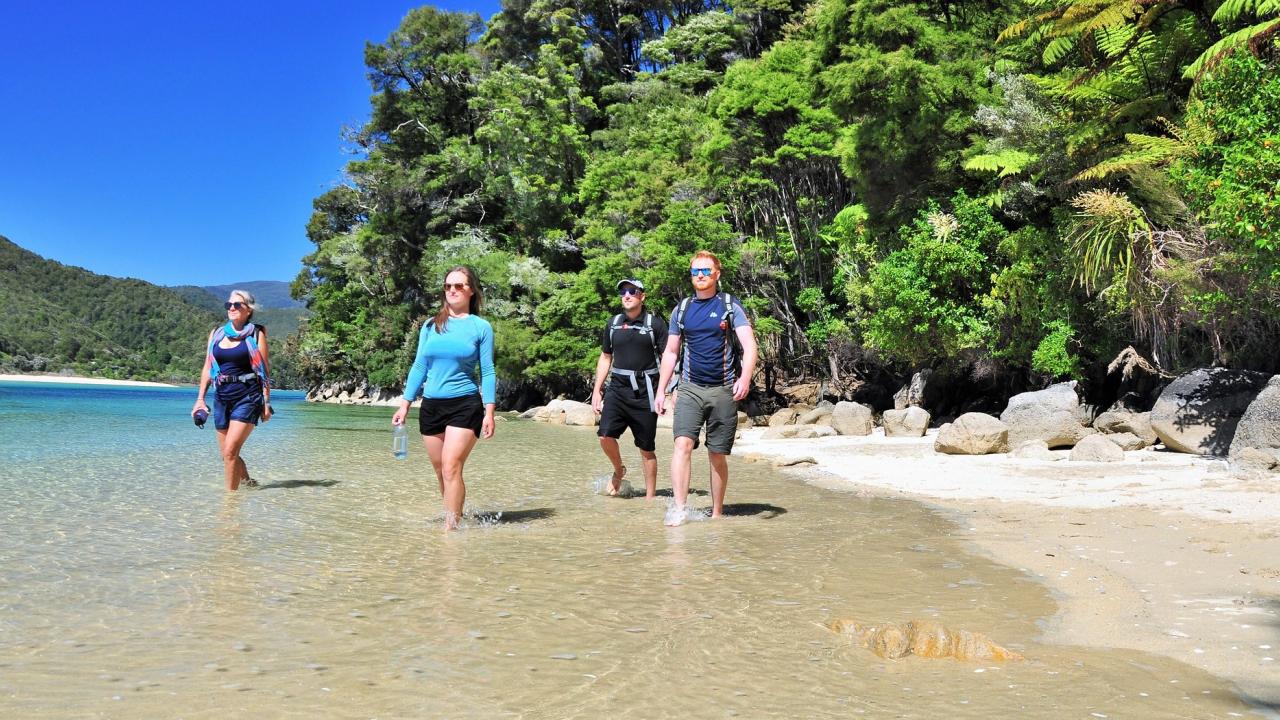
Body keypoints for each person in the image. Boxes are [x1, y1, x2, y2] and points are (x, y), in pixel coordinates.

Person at [654, 251, 758, 524]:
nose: (700, 276)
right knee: (682, 445)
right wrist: (661, 390)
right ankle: (679, 508)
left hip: (723, 390)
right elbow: (671, 352)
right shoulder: (682, 308)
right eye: (695, 272)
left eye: (705, 271)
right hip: (689, 388)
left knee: (717, 455)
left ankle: (717, 514)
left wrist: (744, 378)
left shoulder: (729, 305)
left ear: (716, 274)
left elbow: (749, 346)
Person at [391, 266, 496, 530]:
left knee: (451, 467)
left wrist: (490, 411)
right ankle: (456, 514)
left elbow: (488, 371)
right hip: (431, 406)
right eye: (448, 286)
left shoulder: (480, 327)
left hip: (465, 403)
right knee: (441, 472)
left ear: (471, 290)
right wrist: (404, 404)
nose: (452, 290)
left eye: (459, 286)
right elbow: (419, 366)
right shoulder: (430, 326)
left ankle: (450, 529)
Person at [591, 278, 668, 498]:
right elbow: (606, 357)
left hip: (646, 391)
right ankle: (619, 469)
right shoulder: (613, 323)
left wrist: (664, 391)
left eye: (632, 291)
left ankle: (650, 499)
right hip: (617, 389)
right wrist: (597, 390)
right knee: (605, 436)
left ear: (642, 296)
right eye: (623, 292)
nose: (626, 295)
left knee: (646, 448)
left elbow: (668, 358)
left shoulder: (655, 324)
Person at [191, 290, 272, 491]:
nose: (232, 308)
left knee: (230, 452)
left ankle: (229, 504)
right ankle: (249, 483)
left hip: (248, 396)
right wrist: (200, 399)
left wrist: (266, 402)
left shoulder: (256, 333)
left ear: (249, 310)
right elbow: (208, 367)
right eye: (229, 305)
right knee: (227, 454)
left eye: (237, 305)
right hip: (221, 396)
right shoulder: (216, 334)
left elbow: (264, 370)